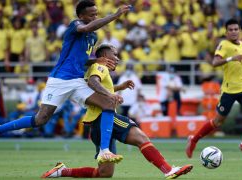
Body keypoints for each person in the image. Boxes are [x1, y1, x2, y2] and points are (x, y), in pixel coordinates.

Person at [0, 0, 130, 163]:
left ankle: (104, 150)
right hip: (60, 80)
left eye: (96, 14)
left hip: (78, 81)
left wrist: (96, 61)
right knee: (40, 119)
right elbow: (86, 27)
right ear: (81, 16)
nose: (94, 17)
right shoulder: (75, 25)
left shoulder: (92, 36)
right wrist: (115, 15)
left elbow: (81, 61)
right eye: (91, 14)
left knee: (108, 103)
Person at [41, 44, 193, 179]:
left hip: (97, 124)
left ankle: (62, 171)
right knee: (141, 137)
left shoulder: (96, 68)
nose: (118, 59)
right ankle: (168, 170)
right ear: (105, 56)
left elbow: (96, 86)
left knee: (105, 173)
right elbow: (94, 82)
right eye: (115, 55)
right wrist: (111, 94)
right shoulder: (100, 67)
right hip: (104, 117)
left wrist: (119, 87)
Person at [186, 19, 242, 163]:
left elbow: (240, 64)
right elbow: (215, 63)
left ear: (239, 30)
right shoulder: (224, 45)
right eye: (231, 30)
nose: (234, 32)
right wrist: (231, 58)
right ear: (226, 32)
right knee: (217, 122)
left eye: (236, 29)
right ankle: (194, 140)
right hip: (229, 90)